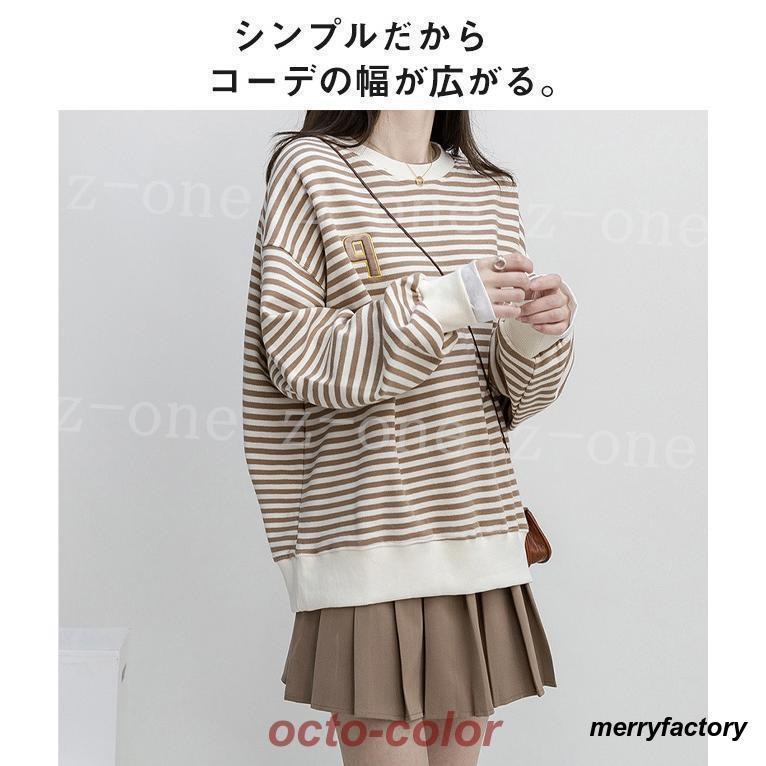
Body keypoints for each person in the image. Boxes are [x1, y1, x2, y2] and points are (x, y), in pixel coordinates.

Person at [243, 109, 576, 765]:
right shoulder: (312, 169)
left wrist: (534, 330)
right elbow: (296, 357)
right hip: (369, 536)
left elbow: (511, 397)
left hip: (476, 529)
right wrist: (444, 302)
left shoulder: (489, 188)